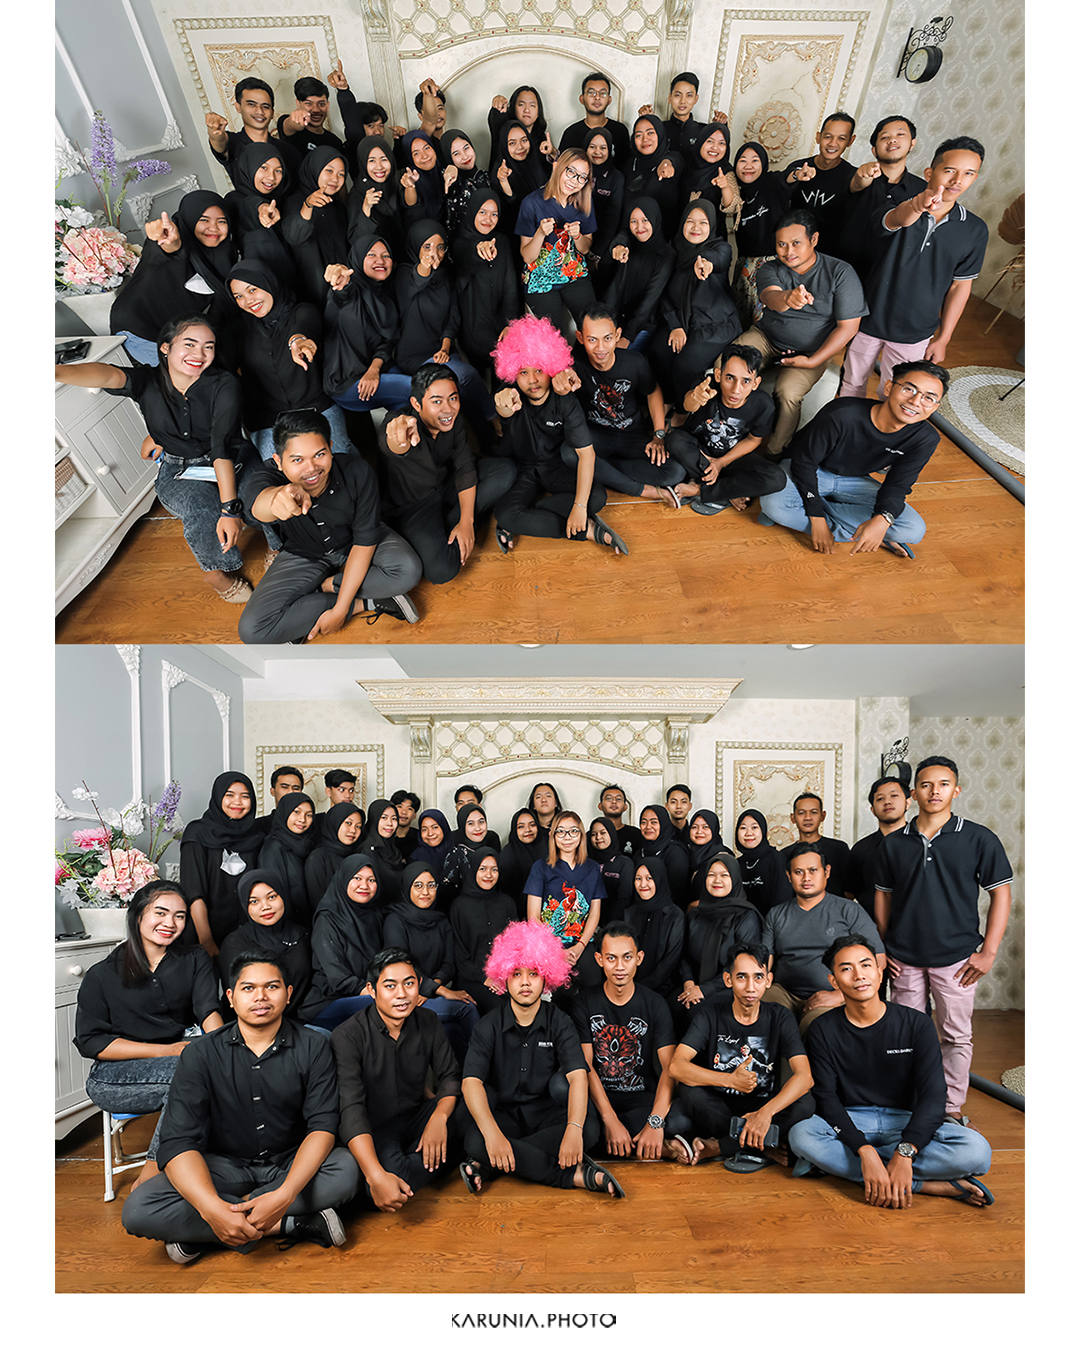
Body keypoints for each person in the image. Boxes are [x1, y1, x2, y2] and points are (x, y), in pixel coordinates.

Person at [121, 954, 360, 1262]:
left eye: (271, 986)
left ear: (288, 993)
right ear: (231, 998)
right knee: (140, 1208)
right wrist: (210, 1208)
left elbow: (322, 1126)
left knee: (346, 1169)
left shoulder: (314, 1046)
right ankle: (287, 1224)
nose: (260, 996)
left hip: (289, 1162)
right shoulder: (200, 1054)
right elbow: (179, 1141)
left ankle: (207, 1231)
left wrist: (284, 1194)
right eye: (248, 988)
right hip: (224, 1167)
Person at [56, 315, 254, 602]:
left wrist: (230, 511)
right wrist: (55, 372)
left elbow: (221, 447)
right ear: (165, 347)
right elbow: (107, 375)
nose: (199, 354)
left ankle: (277, 547)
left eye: (208, 346)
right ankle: (215, 573)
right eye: (189, 344)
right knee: (200, 509)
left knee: (260, 493)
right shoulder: (147, 381)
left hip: (230, 457)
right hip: (179, 468)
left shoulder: (224, 383)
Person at [789, 938, 994, 1207]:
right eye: (846, 969)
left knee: (977, 1151)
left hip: (904, 1120)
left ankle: (854, 1170)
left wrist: (906, 1151)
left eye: (865, 965)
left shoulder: (916, 1024)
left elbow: (933, 1096)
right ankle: (923, 1184)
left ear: (879, 971)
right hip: (852, 1118)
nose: (859, 975)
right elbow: (826, 1098)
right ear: (834, 981)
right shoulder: (822, 1029)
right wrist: (865, 1151)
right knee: (801, 1135)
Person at [874, 756, 1013, 1124]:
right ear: (913, 793)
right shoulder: (893, 844)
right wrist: (883, 948)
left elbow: (1001, 893)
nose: (934, 791)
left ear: (956, 790)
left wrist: (989, 952)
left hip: (957, 958)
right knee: (904, 1034)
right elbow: (883, 896)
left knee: (955, 1035)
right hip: (903, 958)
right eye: (926, 785)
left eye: (943, 784)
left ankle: (950, 1108)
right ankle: (909, 1102)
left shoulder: (979, 838)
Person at [74, 881, 223, 1192]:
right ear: (139, 914)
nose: (170, 923)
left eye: (180, 916)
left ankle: (196, 1167)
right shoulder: (102, 974)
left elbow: (207, 1009)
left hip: (179, 1060)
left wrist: (224, 1050)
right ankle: (153, 1176)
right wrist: (168, 1051)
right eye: (161, 912)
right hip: (113, 1076)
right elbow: (92, 1042)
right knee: (192, 1073)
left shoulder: (195, 959)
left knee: (211, 1068)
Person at [459, 921, 623, 1197]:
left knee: (588, 1130)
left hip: (546, 1115)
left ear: (546, 977)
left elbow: (578, 1076)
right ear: (504, 977)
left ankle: (489, 1164)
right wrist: (493, 1135)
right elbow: (471, 1082)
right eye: (516, 974)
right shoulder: (488, 1025)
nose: (525, 982)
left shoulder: (560, 1022)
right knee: (475, 1138)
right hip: (504, 1116)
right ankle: (574, 1176)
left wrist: (573, 1129)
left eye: (533, 973)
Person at [239, 408, 422, 643]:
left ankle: (321, 590)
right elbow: (258, 504)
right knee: (252, 630)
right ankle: (369, 602)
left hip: (355, 541)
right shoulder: (267, 476)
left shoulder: (357, 470)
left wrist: (340, 610)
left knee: (408, 570)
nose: (311, 468)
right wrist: (276, 500)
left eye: (319, 454)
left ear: (331, 448)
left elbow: (364, 543)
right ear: (279, 462)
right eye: (297, 460)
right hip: (304, 552)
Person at [839, 137, 988, 398]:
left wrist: (943, 338)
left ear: (974, 178)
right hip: (867, 318)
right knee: (851, 385)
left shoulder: (975, 229)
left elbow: (960, 286)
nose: (957, 181)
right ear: (930, 173)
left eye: (968, 173)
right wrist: (919, 204)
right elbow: (895, 219)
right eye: (950, 170)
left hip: (916, 331)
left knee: (895, 395)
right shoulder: (896, 202)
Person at [758, 361, 947, 559]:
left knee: (913, 529)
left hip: (855, 481)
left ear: (935, 407)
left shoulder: (926, 438)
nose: (915, 401)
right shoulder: (841, 413)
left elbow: (898, 485)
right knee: (774, 505)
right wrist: (817, 517)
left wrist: (883, 518)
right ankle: (860, 531)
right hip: (810, 470)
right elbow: (804, 463)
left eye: (928, 398)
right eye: (909, 389)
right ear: (889, 387)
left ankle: (808, 511)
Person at [332, 947, 463, 1212]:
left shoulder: (428, 1019)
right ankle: (439, 1158)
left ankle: (428, 1156)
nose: (402, 994)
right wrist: (375, 1175)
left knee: (482, 1099)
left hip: (418, 1115)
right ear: (372, 990)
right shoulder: (347, 1036)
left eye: (409, 984)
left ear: (419, 985)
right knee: (392, 1173)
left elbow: (449, 1075)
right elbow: (351, 1112)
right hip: (378, 1128)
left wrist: (438, 1119)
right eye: (390, 986)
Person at [670, 944, 815, 1168]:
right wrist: (730, 1080)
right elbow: (676, 1067)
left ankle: (721, 1146)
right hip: (721, 1106)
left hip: (764, 1104)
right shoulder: (710, 1014)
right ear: (728, 980)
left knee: (806, 1102)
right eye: (741, 977)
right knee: (690, 1092)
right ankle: (764, 1146)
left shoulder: (780, 1017)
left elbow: (805, 1077)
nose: (750, 987)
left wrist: (765, 1114)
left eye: (758, 977)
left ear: (768, 980)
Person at [737, 210, 867, 459]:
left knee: (788, 393)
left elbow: (848, 327)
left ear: (813, 239)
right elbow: (770, 297)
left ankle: (775, 452)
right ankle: (727, 433)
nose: (788, 251)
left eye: (796, 243)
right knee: (729, 364)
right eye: (781, 244)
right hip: (766, 338)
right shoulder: (770, 267)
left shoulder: (841, 272)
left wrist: (813, 360)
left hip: (811, 350)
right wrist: (788, 297)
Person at [490, 316, 624, 556]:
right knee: (505, 515)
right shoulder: (510, 393)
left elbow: (586, 454)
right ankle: (589, 531)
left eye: (539, 370)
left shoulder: (565, 400)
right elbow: (504, 407)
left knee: (596, 498)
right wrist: (502, 404)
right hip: (522, 470)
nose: (532, 380)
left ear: (551, 367)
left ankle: (527, 516)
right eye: (523, 372)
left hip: (555, 467)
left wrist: (580, 507)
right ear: (512, 373)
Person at [376, 366, 515, 584]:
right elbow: (392, 442)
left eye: (453, 398)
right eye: (437, 401)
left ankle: (455, 522)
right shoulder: (401, 423)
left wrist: (466, 522)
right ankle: (456, 523)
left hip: (446, 484)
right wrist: (398, 440)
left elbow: (465, 467)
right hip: (414, 505)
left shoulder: (452, 419)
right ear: (416, 404)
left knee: (506, 471)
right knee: (442, 571)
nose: (448, 409)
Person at [572, 922, 693, 1160]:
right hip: (597, 1097)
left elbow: (670, 1068)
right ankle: (646, 1145)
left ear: (639, 958)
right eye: (611, 958)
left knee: (680, 1120)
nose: (620, 967)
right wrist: (610, 1119)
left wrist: (655, 1122)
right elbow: (585, 1066)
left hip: (639, 1096)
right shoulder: (584, 1003)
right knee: (576, 1111)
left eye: (627, 957)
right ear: (599, 959)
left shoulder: (655, 1004)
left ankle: (623, 1142)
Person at [227, 260, 355, 465]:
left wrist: (298, 341)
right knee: (277, 471)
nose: (248, 300)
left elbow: (303, 327)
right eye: (238, 296)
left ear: (269, 283)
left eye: (252, 290)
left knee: (337, 464)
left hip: (316, 409)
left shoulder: (302, 311)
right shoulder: (238, 329)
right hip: (268, 420)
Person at [555, 304, 683, 502]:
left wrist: (659, 434)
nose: (600, 348)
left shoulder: (634, 362)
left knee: (675, 472)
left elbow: (653, 391)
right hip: (595, 436)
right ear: (580, 338)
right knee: (569, 452)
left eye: (607, 338)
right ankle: (639, 489)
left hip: (632, 434)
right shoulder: (573, 365)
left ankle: (601, 469)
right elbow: (557, 385)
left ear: (617, 335)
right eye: (592, 340)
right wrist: (561, 381)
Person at [392, 222, 499, 443]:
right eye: (427, 246)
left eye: (440, 247)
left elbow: (453, 318)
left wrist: (445, 347)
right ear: (415, 247)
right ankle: (494, 419)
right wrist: (425, 265)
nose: (435, 253)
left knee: (463, 389)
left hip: (443, 351)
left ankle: (488, 440)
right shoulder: (403, 273)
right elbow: (415, 281)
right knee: (466, 375)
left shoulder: (445, 277)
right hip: (414, 357)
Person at [110, 192, 241, 366]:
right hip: (138, 330)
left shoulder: (223, 254)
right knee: (192, 376)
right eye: (204, 220)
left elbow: (221, 305)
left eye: (222, 221)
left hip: (173, 330)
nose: (214, 228)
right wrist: (171, 242)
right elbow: (168, 251)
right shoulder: (172, 242)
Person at [762, 844, 882, 1028]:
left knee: (815, 1026)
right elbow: (764, 961)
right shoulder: (776, 914)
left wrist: (840, 995)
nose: (806, 878)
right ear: (789, 876)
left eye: (813, 870)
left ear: (826, 872)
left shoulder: (849, 910)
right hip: (785, 992)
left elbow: (879, 959)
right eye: (798, 872)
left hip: (832, 994)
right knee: (766, 1014)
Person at [664, 344, 787, 515]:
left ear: (756, 383)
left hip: (732, 457)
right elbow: (688, 405)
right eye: (730, 378)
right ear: (718, 375)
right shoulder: (707, 385)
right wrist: (695, 397)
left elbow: (754, 439)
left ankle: (700, 490)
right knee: (674, 440)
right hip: (700, 452)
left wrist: (721, 462)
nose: (736, 390)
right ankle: (727, 492)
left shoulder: (763, 405)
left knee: (776, 478)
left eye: (746, 381)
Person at [381, 866, 480, 1058]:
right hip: (405, 996)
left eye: (431, 885)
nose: (425, 892)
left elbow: (449, 964)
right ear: (407, 888)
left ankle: (464, 1074)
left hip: (427, 994)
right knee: (466, 1008)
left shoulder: (441, 921)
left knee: (453, 1031)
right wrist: (440, 990)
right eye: (418, 885)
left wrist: (431, 988)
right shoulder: (395, 920)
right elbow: (400, 967)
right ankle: (486, 1069)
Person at [651, 201, 741, 407]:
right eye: (690, 221)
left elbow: (718, 258)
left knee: (684, 366)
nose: (695, 227)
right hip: (683, 320)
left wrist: (706, 263)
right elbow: (662, 292)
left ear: (712, 226)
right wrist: (675, 325)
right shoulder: (673, 250)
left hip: (715, 325)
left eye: (703, 223)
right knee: (658, 352)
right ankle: (669, 401)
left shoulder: (720, 247)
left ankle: (683, 411)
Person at [322, 236, 411, 415]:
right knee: (420, 389)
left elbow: (387, 342)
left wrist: (373, 370)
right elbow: (341, 293)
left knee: (409, 409)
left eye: (386, 255)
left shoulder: (385, 296)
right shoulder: (348, 289)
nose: (380, 260)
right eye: (371, 255)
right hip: (346, 382)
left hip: (376, 367)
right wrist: (341, 280)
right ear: (358, 258)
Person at [179, 772, 265, 955]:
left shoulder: (257, 836)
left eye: (245, 796)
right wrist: (207, 942)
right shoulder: (197, 832)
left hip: (248, 934)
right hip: (204, 932)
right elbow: (194, 893)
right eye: (230, 795)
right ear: (218, 797)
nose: (237, 802)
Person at [832, 116, 923, 284]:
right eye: (885, 137)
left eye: (900, 134)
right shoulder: (858, 175)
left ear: (912, 143)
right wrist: (862, 175)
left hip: (888, 277)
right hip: (843, 269)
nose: (892, 140)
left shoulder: (922, 190)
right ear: (874, 150)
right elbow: (857, 184)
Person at [301, 853, 386, 1030]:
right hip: (328, 1002)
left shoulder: (374, 915)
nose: (365, 886)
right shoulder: (327, 919)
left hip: (367, 996)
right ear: (344, 879)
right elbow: (338, 977)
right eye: (357, 878)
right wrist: (376, 993)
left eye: (371, 880)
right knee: (392, 1007)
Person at [677, 855, 763, 1026]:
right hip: (695, 983)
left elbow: (744, 966)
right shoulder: (696, 914)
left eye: (724, 875)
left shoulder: (746, 916)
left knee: (696, 1013)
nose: (717, 880)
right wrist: (689, 983)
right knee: (670, 1006)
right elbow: (685, 955)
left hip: (731, 987)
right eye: (711, 875)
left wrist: (704, 990)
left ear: (735, 879)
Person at [517, 149, 598, 329]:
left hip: (574, 274)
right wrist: (540, 233)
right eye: (571, 172)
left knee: (591, 325)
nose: (574, 181)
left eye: (582, 177)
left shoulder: (584, 202)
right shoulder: (531, 203)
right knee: (553, 335)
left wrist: (577, 236)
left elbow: (585, 249)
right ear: (557, 168)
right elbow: (527, 257)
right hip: (540, 278)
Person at [730, 142, 805, 328]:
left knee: (766, 322)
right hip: (744, 265)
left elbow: (786, 178)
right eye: (742, 160)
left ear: (763, 164)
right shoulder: (736, 192)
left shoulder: (771, 182)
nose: (748, 166)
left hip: (771, 264)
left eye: (755, 160)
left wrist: (797, 174)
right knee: (740, 317)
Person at [525, 810, 605, 985]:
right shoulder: (540, 867)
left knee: (593, 981)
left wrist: (580, 947)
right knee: (555, 988)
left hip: (582, 942)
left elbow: (594, 913)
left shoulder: (592, 868)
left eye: (573, 831)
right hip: (547, 944)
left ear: (581, 834)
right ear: (553, 835)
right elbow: (533, 916)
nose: (567, 837)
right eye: (560, 831)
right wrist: (556, 950)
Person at [448, 190, 522, 376]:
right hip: (474, 324)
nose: (488, 219)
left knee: (519, 355)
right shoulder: (459, 243)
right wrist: (479, 249)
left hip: (502, 319)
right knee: (502, 358)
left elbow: (510, 287)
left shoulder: (501, 241)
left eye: (494, 214)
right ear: (472, 211)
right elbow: (466, 254)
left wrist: (509, 324)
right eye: (482, 212)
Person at [218, 872, 314, 1014]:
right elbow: (241, 998)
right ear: (245, 905)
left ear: (283, 896)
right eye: (254, 901)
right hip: (256, 1020)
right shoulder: (235, 943)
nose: (265, 906)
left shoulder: (303, 936)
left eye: (272, 897)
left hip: (306, 1017)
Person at [449, 847, 518, 1012]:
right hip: (471, 978)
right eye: (483, 869)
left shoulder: (507, 903)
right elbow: (459, 953)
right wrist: (484, 978)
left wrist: (505, 977)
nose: (489, 875)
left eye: (494, 869)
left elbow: (515, 945)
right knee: (500, 1007)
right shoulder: (459, 906)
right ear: (473, 870)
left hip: (503, 977)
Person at [280, 147, 350, 307]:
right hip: (313, 294)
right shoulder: (295, 202)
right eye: (329, 171)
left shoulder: (337, 207)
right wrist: (308, 205)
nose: (335, 179)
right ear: (314, 169)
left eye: (341, 174)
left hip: (341, 288)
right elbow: (294, 236)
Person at [602, 199, 675, 350]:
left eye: (645, 220)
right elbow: (622, 237)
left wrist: (628, 336)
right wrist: (618, 246)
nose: (639, 227)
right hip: (614, 316)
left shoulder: (666, 255)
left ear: (655, 219)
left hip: (641, 324)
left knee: (619, 356)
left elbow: (650, 300)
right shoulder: (628, 243)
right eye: (633, 221)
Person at [784, 112, 858, 255]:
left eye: (841, 138)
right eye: (828, 136)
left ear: (850, 141)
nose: (833, 143)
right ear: (818, 137)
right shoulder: (798, 167)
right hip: (792, 249)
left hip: (828, 254)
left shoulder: (853, 178)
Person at [205, 78, 301, 185]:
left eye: (265, 107)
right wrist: (214, 130)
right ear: (238, 107)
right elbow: (219, 141)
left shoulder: (289, 150)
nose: (259, 111)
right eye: (252, 104)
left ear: (272, 113)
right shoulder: (233, 143)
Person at [221, 144, 296, 279]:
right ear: (250, 166)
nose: (271, 177)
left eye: (278, 171)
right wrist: (261, 207)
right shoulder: (233, 199)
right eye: (264, 168)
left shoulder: (285, 198)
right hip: (263, 282)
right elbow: (247, 204)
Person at [847, 776, 912, 917]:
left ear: (908, 803)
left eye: (894, 796)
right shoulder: (860, 849)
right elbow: (849, 894)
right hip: (872, 925)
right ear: (873, 810)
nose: (887, 801)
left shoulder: (922, 844)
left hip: (915, 925)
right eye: (880, 798)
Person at [623, 858, 686, 1000]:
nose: (642, 884)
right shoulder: (629, 913)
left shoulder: (675, 916)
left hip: (665, 989)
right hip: (628, 985)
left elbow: (670, 961)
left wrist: (642, 988)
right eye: (638, 878)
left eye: (649, 878)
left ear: (659, 880)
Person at [257, 791, 318, 927]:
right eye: (296, 812)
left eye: (308, 815)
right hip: (289, 925)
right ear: (284, 813)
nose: (302, 819)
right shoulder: (273, 848)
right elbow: (274, 894)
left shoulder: (308, 843)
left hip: (309, 921)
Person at [779, 792, 854, 893]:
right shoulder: (783, 855)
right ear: (793, 818)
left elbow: (849, 891)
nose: (808, 818)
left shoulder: (839, 849)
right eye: (801, 813)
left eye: (814, 812)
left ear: (823, 816)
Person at [624, 115, 682, 241]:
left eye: (650, 133)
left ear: (660, 134)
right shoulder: (630, 164)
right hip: (632, 237)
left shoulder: (672, 158)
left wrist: (667, 164)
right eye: (638, 135)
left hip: (665, 240)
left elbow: (674, 162)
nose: (645, 139)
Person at [559, 72, 631, 169]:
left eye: (602, 93)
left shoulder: (620, 131)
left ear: (609, 100)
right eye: (591, 93)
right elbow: (562, 168)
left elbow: (626, 167)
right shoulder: (571, 133)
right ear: (582, 99)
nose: (597, 97)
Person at [681, 122, 741, 232]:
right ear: (700, 142)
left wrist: (725, 187)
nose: (715, 147)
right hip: (683, 233)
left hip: (713, 236)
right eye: (710, 141)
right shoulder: (687, 166)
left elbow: (733, 208)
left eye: (721, 143)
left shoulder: (726, 172)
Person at [734, 809, 789, 917]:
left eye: (754, 827)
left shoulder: (775, 858)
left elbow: (782, 897)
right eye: (743, 828)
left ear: (763, 831)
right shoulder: (736, 863)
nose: (748, 833)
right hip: (742, 924)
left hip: (771, 923)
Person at [438, 128, 492, 234]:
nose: (465, 156)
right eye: (456, 154)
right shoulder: (450, 182)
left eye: (466, 148)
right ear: (449, 158)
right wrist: (451, 169)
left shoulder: (485, 176)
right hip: (464, 240)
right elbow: (450, 184)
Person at [636, 804, 690, 907]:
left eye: (654, 822)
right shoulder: (639, 852)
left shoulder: (675, 852)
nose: (648, 826)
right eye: (643, 822)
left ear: (664, 823)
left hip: (669, 910)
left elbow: (677, 891)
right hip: (642, 909)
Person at [276, 76, 344, 159]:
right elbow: (291, 124)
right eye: (308, 103)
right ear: (298, 103)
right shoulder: (292, 130)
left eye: (321, 104)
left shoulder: (335, 142)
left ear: (327, 105)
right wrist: (297, 119)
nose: (316, 109)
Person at [499, 808, 548, 918]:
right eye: (521, 827)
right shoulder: (507, 855)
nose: (528, 830)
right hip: (519, 915)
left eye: (532, 825)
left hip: (550, 911)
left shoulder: (548, 848)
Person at [586, 817, 634, 923]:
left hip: (615, 924)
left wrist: (609, 925)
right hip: (587, 924)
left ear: (611, 834)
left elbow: (624, 899)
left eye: (603, 833)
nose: (598, 837)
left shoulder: (624, 863)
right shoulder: (586, 863)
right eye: (593, 834)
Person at [255, 765, 305, 833]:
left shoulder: (308, 825)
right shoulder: (259, 826)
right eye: (285, 787)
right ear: (272, 791)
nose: (290, 792)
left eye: (296, 788)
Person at [598, 784, 642, 856]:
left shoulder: (636, 834)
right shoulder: (593, 836)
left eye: (618, 799)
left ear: (625, 807)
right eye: (609, 798)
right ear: (600, 806)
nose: (614, 802)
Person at [390, 790, 421, 856]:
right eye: (400, 807)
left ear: (414, 815)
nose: (404, 812)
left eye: (409, 809)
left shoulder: (420, 838)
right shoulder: (384, 836)